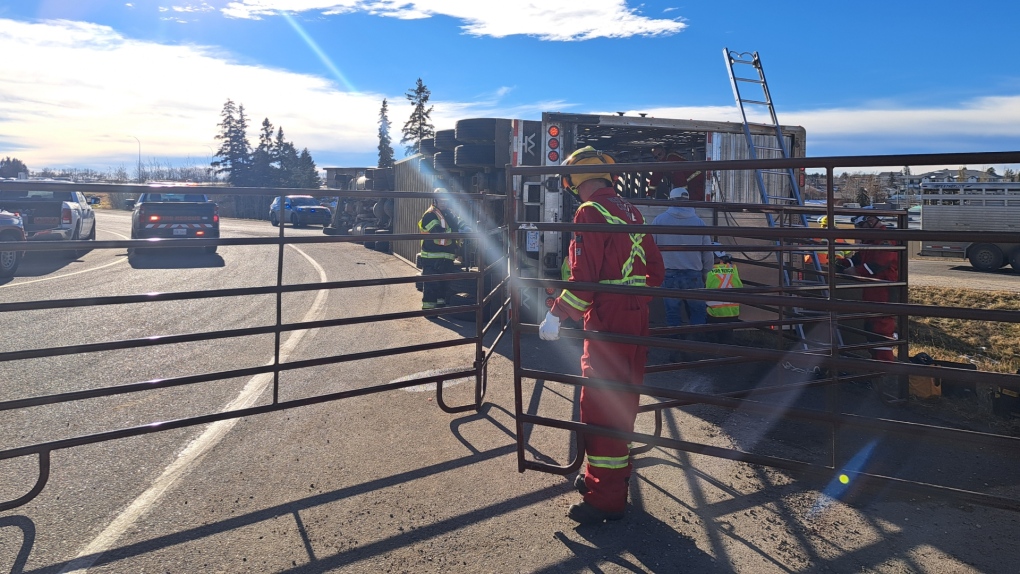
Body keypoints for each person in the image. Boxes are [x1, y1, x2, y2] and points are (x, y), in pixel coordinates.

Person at [537, 146, 665, 524]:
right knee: (623, 399)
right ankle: (609, 479)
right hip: (636, 316)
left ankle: (605, 498)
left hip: (609, 319)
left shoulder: (590, 211)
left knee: (600, 404)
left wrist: (557, 315)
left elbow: (584, 280)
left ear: (574, 182)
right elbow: (655, 271)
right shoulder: (632, 211)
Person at [651, 188, 714, 342]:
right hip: (693, 274)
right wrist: (706, 272)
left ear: (671, 200)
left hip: (669, 273)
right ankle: (694, 344)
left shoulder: (659, 221)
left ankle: (675, 346)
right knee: (698, 311)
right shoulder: (699, 222)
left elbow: (651, 249)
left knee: (672, 313)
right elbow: (707, 252)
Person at [838, 212, 900, 363]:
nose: (859, 230)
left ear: (871, 221)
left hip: (884, 290)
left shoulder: (884, 240)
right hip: (872, 290)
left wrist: (858, 271)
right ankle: (876, 366)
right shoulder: (871, 240)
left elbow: (880, 262)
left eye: (860, 226)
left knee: (881, 328)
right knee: (871, 328)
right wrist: (843, 264)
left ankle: (885, 369)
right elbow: (859, 258)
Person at [418, 188, 460, 310]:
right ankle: (429, 310)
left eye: (446, 201)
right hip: (432, 257)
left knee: (443, 285)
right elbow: (438, 233)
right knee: (431, 285)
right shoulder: (430, 215)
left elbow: (457, 225)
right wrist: (455, 232)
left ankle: (440, 307)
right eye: (441, 200)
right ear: (435, 200)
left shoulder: (449, 214)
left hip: (446, 257)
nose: (444, 203)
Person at [705, 247, 742, 344]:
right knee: (727, 339)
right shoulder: (732, 268)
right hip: (733, 313)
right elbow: (739, 287)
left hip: (714, 314)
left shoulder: (709, 269)